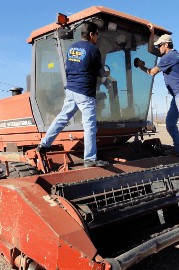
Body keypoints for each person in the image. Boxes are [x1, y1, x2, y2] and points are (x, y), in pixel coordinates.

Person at [37, 22, 110, 168]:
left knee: (62, 118)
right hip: (84, 92)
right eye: (96, 34)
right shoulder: (93, 50)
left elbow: (69, 67)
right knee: (90, 126)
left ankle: (44, 144)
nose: (97, 37)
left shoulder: (71, 49)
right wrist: (107, 73)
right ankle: (90, 159)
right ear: (91, 34)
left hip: (71, 90)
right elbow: (100, 72)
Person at [135, 24, 179, 161]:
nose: (158, 48)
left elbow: (152, 72)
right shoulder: (169, 54)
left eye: (160, 45)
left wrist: (141, 66)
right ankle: (178, 148)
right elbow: (150, 49)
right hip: (178, 94)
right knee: (170, 123)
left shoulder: (169, 57)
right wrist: (152, 32)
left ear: (166, 45)